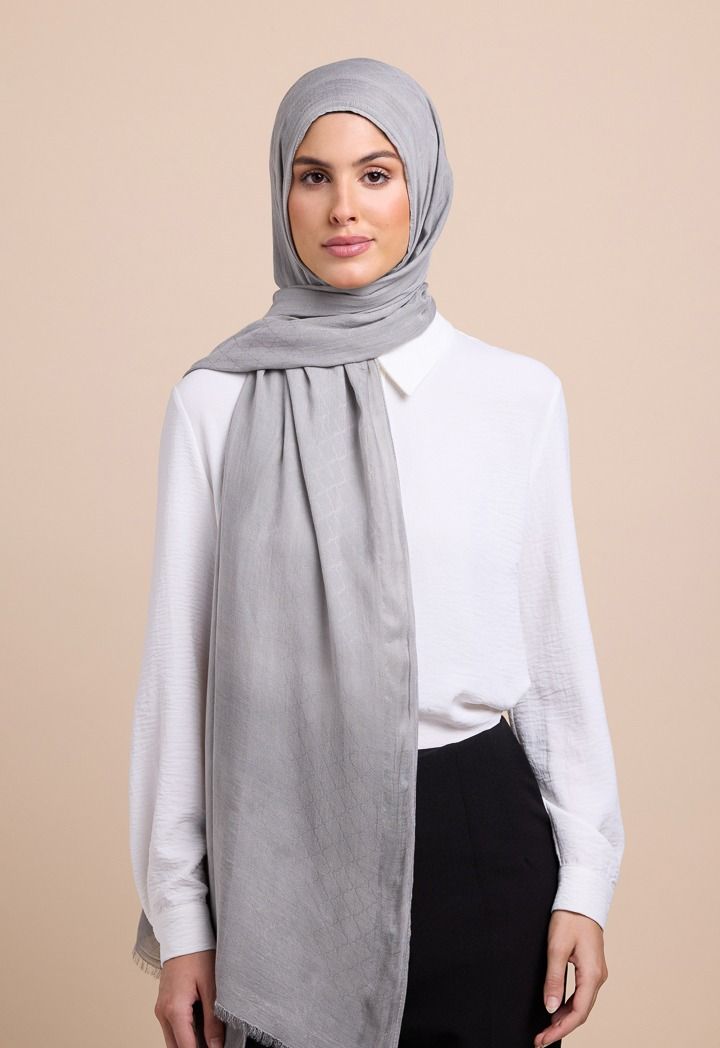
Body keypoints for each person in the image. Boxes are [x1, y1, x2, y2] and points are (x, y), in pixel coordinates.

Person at [128, 57, 625, 1048]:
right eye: (313, 175)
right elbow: (179, 677)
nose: (343, 208)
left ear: (422, 189)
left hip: (477, 838)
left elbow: (553, 652)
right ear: (282, 194)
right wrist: (183, 920)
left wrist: (586, 878)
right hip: (283, 845)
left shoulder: (515, 396)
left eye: (376, 173)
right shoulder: (215, 402)